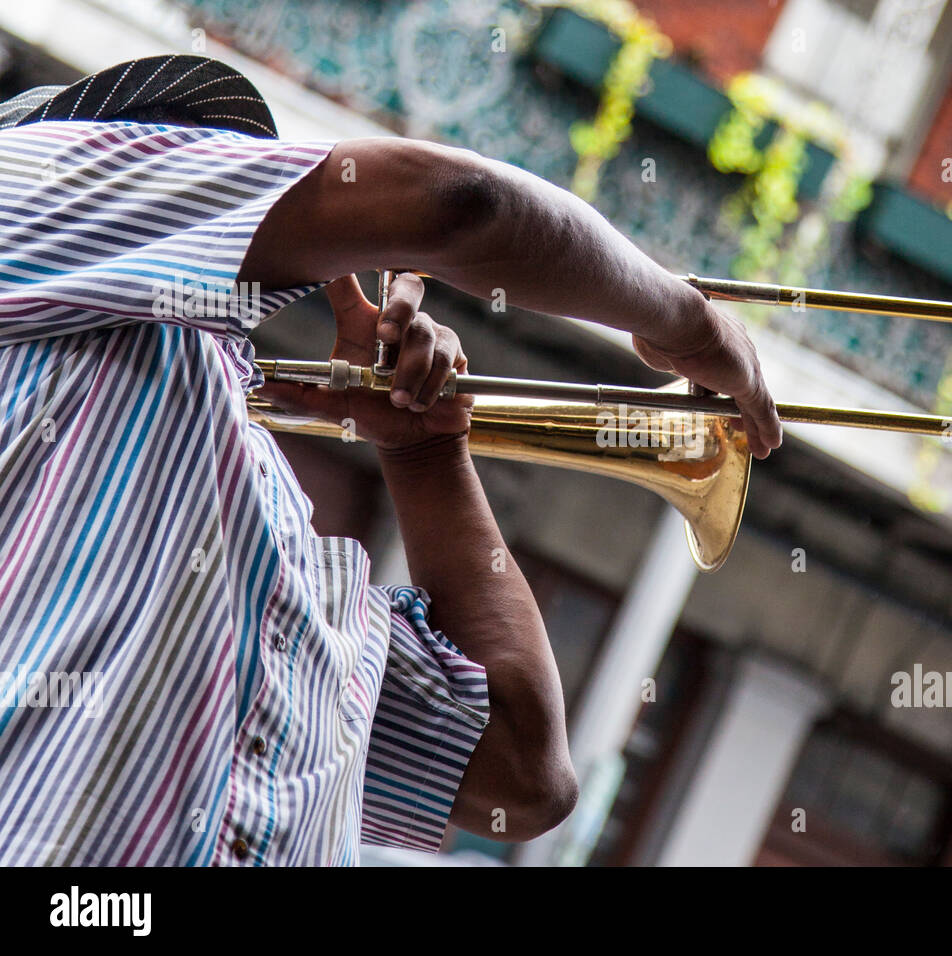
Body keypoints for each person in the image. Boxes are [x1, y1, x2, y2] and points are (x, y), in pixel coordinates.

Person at [0, 55, 781, 865]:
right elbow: (458, 204)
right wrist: (689, 324)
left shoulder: (258, 532)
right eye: (165, 152)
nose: (217, 173)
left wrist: (427, 453)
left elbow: (523, 779)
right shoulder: (21, 187)